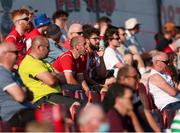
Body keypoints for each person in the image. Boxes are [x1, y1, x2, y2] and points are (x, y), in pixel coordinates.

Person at [18, 35, 81, 107]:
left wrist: (52, 76)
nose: (49, 50)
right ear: (39, 47)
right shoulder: (30, 62)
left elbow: (63, 78)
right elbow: (51, 81)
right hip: (43, 99)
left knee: (80, 90)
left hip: (55, 95)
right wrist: (53, 76)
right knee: (82, 105)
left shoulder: (44, 62)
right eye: (47, 47)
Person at [0, 42, 35, 127]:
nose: (18, 55)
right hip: (15, 115)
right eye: (16, 53)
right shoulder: (2, 72)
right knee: (50, 120)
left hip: (26, 111)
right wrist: (22, 91)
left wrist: (23, 91)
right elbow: (20, 97)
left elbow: (31, 96)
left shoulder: (14, 73)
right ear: (6, 55)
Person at [116, 65, 161, 131]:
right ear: (124, 79)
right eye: (135, 77)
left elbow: (145, 113)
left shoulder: (132, 93)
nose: (138, 80)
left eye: (138, 77)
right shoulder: (118, 95)